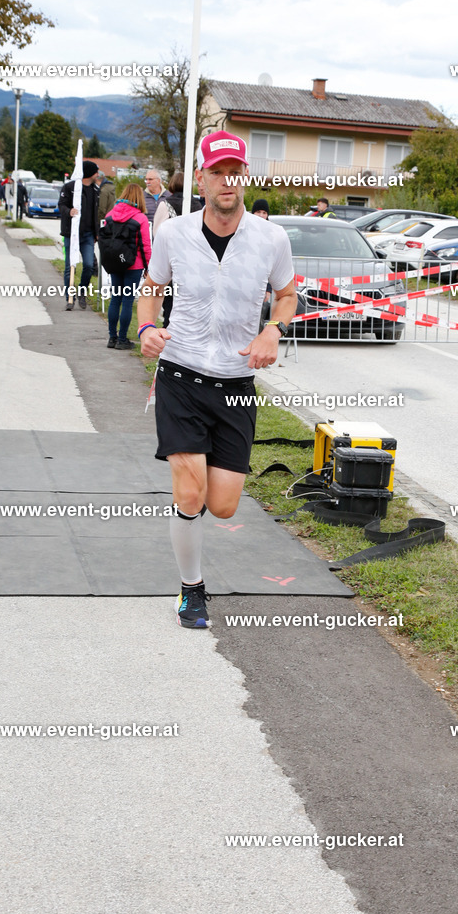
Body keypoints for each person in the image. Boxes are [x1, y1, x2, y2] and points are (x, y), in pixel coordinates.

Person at [136, 130, 296, 629]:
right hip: (181, 374)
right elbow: (151, 288)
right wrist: (145, 327)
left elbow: (288, 294)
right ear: (201, 179)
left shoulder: (272, 238)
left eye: (236, 171)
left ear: (243, 176)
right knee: (189, 494)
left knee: (222, 506)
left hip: (234, 384)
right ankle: (192, 589)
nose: (228, 181)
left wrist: (273, 328)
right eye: (218, 172)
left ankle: (197, 533)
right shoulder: (173, 233)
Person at [153, 171, 203, 328]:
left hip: (171, 258)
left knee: (169, 302)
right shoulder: (198, 206)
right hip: (193, 260)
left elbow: (157, 232)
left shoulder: (165, 204)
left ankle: (168, 332)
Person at [104, 182, 151, 350]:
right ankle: (122, 339)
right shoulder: (140, 218)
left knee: (115, 298)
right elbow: (145, 245)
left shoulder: (110, 216)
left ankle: (112, 337)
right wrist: (148, 267)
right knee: (128, 300)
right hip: (134, 264)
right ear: (139, 198)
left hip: (115, 262)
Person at [58, 159, 99, 310]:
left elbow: (96, 213)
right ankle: (70, 297)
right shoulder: (70, 187)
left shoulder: (95, 190)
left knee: (88, 265)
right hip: (71, 234)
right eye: (96, 171)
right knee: (70, 266)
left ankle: (82, 291)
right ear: (89, 173)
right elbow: (61, 205)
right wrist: (69, 211)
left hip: (88, 235)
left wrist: (97, 232)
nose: (98, 174)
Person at [143, 168, 166, 235]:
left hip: (164, 236)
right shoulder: (141, 197)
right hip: (147, 236)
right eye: (146, 179)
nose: (147, 182)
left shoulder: (168, 196)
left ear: (158, 181)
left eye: (150, 179)